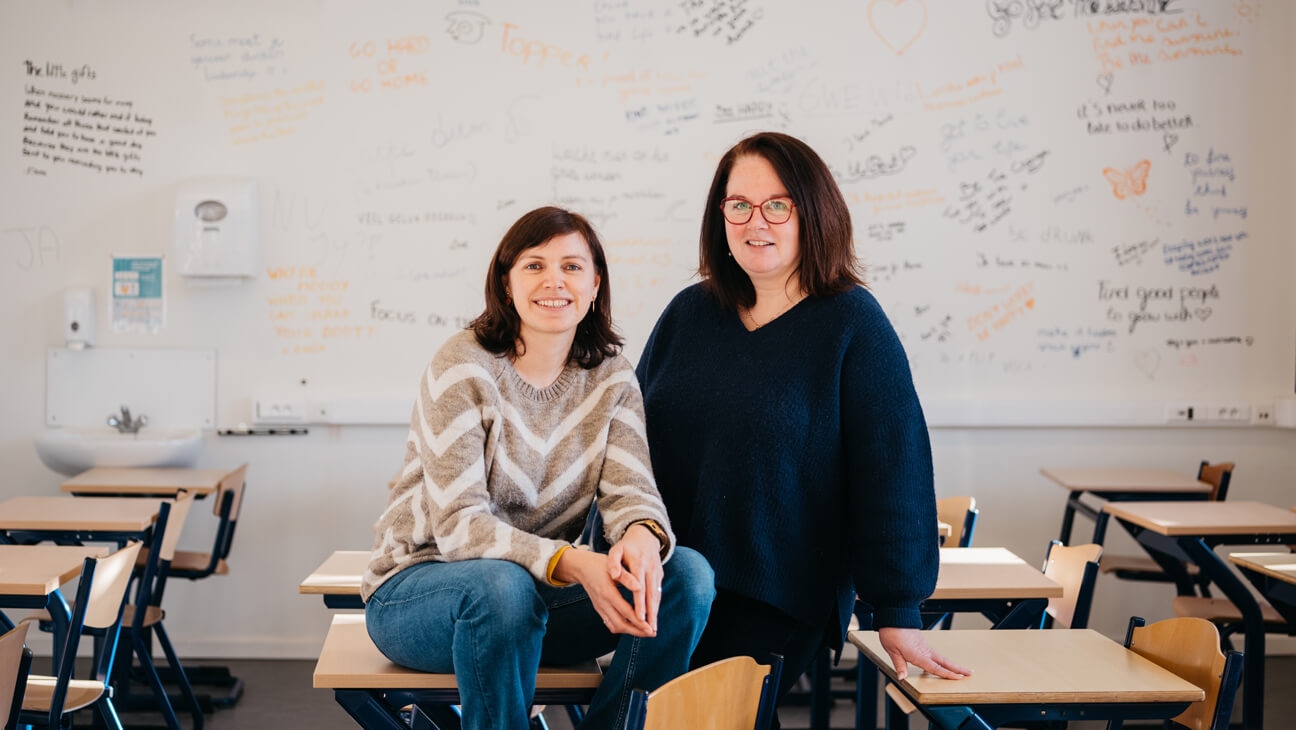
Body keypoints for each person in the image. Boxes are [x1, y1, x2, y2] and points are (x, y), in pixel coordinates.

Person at [636, 132, 969, 713]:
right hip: (669, 588)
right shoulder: (689, 314)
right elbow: (629, 443)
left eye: (777, 205)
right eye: (738, 205)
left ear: (813, 214)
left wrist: (897, 610)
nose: (754, 222)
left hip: (778, 597)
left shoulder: (853, 325)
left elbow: (895, 472)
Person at [362, 206, 715, 730]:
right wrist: (576, 564)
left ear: (595, 286)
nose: (555, 281)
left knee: (687, 574)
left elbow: (631, 492)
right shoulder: (463, 366)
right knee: (501, 588)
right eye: (534, 265)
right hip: (422, 594)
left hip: (531, 599)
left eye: (573, 267)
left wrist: (641, 536)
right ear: (506, 285)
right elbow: (460, 529)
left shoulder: (612, 379)